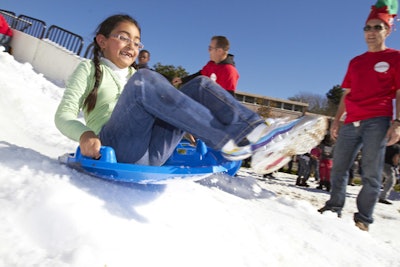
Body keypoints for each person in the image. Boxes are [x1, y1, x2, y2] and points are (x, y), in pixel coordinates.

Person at [54, 14, 327, 175]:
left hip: (153, 153)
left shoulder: (134, 76)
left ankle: (257, 134)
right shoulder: (90, 69)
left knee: (198, 85)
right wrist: (85, 135)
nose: (132, 46)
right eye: (124, 37)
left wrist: (188, 122)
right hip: (116, 148)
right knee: (145, 79)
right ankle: (228, 143)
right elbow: (64, 115)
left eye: (137, 42)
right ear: (102, 41)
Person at [318, 0, 400, 231]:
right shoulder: (355, 62)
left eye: (378, 27)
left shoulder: (396, 58)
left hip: (378, 120)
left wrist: (397, 122)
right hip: (350, 121)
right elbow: (347, 93)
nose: (372, 32)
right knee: (339, 167)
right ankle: (334, 207)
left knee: (371, 173)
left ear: (388, 30)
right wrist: (336, 120)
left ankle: (363, 218)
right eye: (368, 27)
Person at [172, 36, 239, 96]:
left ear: (219, 51)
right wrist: (182, 80)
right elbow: (200, 75)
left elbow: (229, 98)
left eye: (210, 48)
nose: (208, 51)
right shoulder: (211, 64)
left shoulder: (229, 70)